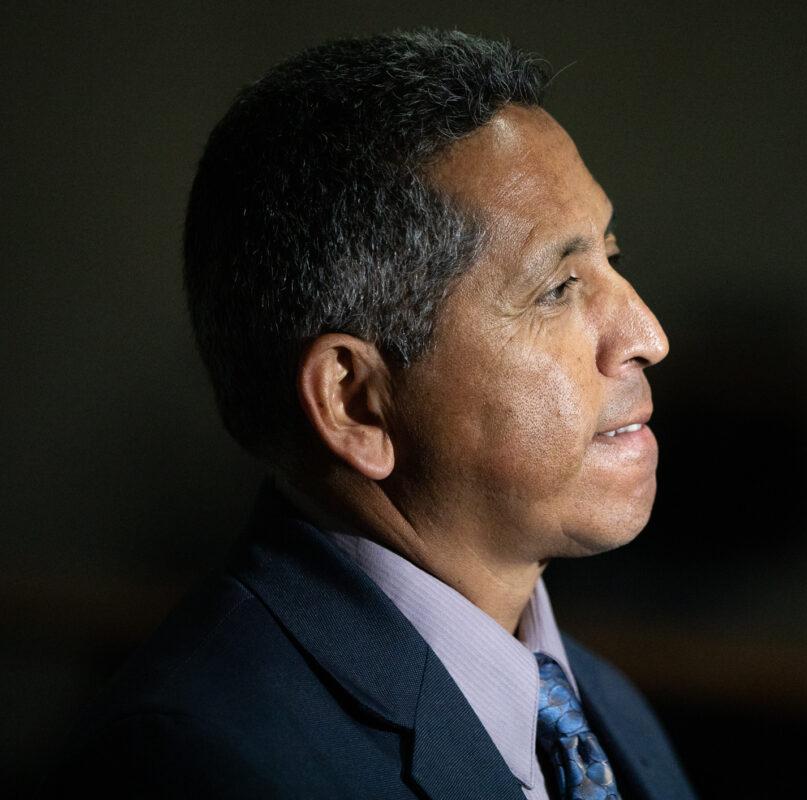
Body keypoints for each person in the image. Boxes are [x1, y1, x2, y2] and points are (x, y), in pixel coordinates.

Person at [47, 29, 695, 800]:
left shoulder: (607, 709)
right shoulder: (200, 763)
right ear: (356, 402)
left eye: (611, 260)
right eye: (557, 289)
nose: (648, 335)